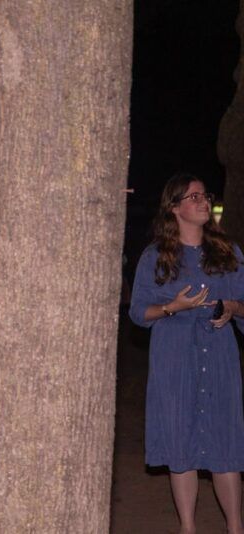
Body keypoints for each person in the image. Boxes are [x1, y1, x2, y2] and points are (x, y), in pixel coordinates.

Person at [129, 173, 244, 534]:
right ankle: (188, 527)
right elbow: (138, 312)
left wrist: (233, 308)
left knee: (226, 446)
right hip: (175, 359)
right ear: (175, 208)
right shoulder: (156, 257)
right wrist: (172, 307)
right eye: (193, 197)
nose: (203, 201)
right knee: (181, 444)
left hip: (219, 357)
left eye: (205, 195)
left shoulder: (228, 252)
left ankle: (236, 527)